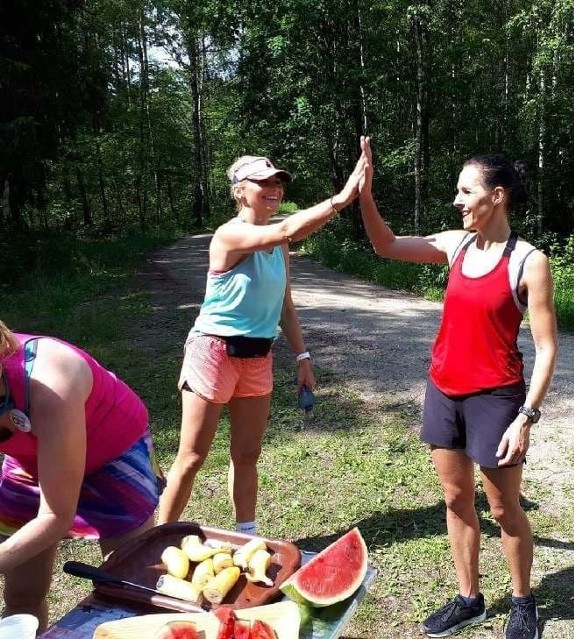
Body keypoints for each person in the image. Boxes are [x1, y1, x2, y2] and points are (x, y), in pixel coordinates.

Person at [357, 137, 557, 639]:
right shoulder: (456, 244)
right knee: (453, 497)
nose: (458, 200)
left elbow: (548, 348)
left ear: (498, 195)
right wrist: (365, 193)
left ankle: (523, 602)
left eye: (466, 191)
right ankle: (470, 598)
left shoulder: (528, 261)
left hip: (497, 398)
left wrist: (526, 416)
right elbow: (386, 245)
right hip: (444, 391)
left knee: (504, 507)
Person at [157, 151, 368, 535]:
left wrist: (303, 356)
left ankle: (246, 535)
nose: (274, 189)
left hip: (258, 356)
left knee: (248, 454)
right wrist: (341, 200)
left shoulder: (279, 243)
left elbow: (284, 304)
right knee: (191, 457)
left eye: (277, 182)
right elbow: (287, 230)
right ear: (240, 191)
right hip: (214, 352)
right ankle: (157, 538)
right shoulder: (229, 234)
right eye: (263, 182)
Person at [0, 321, 162, 631]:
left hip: (112, 452)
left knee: (128, 592)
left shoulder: (51, 381)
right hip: (29, 458)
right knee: (22, 596)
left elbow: (57, 516)